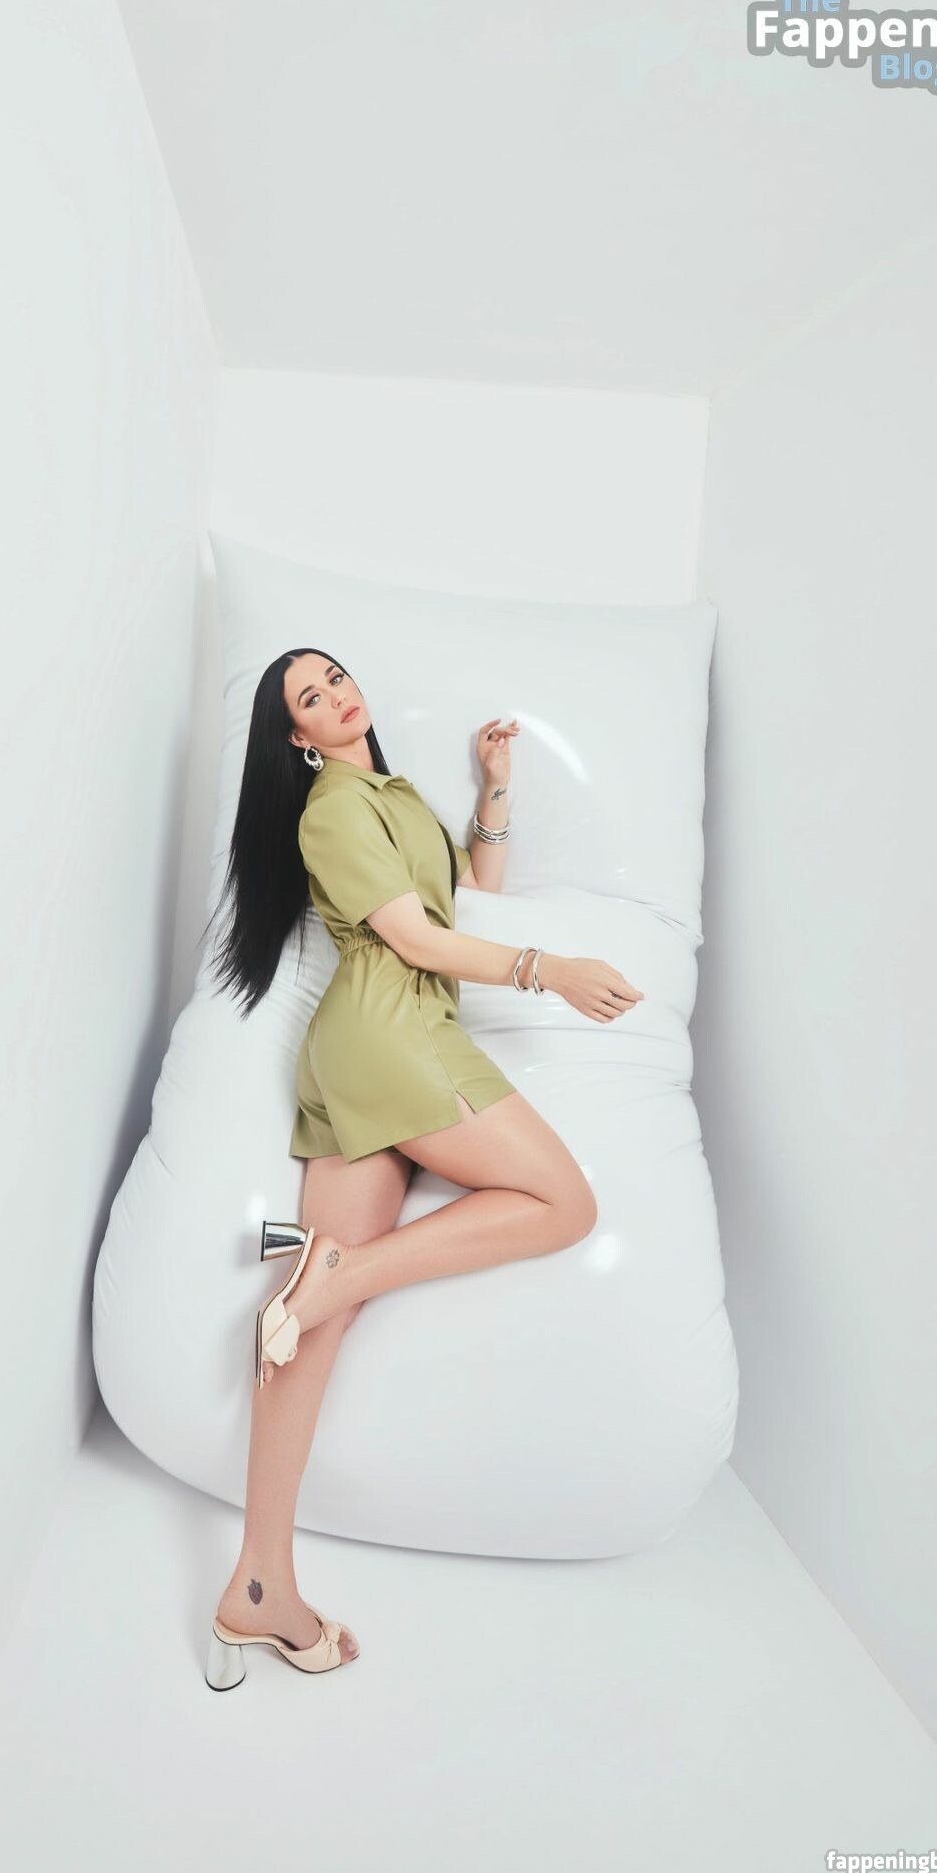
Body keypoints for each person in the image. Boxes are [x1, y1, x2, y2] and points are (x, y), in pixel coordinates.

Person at [199, 647, 643, 1685]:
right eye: (311, 698)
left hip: (368, 1048)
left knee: (308, 1322)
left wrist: (494, 792)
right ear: (298, 739)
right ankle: (342, 1272)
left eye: (335, 677)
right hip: (393, 1035)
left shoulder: (391, 799)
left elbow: (467, 893)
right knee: (565, 1204)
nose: (336, 695)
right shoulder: (330, 814)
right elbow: (419, 942)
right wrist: (551, 971)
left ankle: (258, 1585)